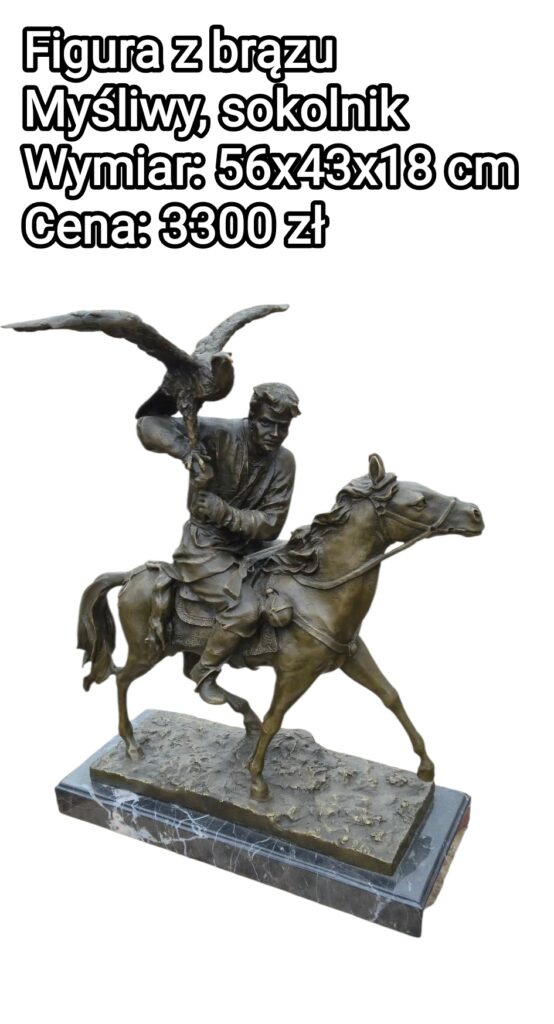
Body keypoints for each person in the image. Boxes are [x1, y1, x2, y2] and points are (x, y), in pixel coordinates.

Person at [137, 382, 300, 703]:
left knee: (302, 558)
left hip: (252, 546)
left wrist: (223, 511)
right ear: (252, 417)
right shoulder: (219, 434)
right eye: (267, 423)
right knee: (246, 609)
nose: (275, 433)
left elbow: (271, 524)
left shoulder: (284, 461)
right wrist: (187, 452)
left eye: (283, 427)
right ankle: (205, 671)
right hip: (204, 548)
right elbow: (148, 424)